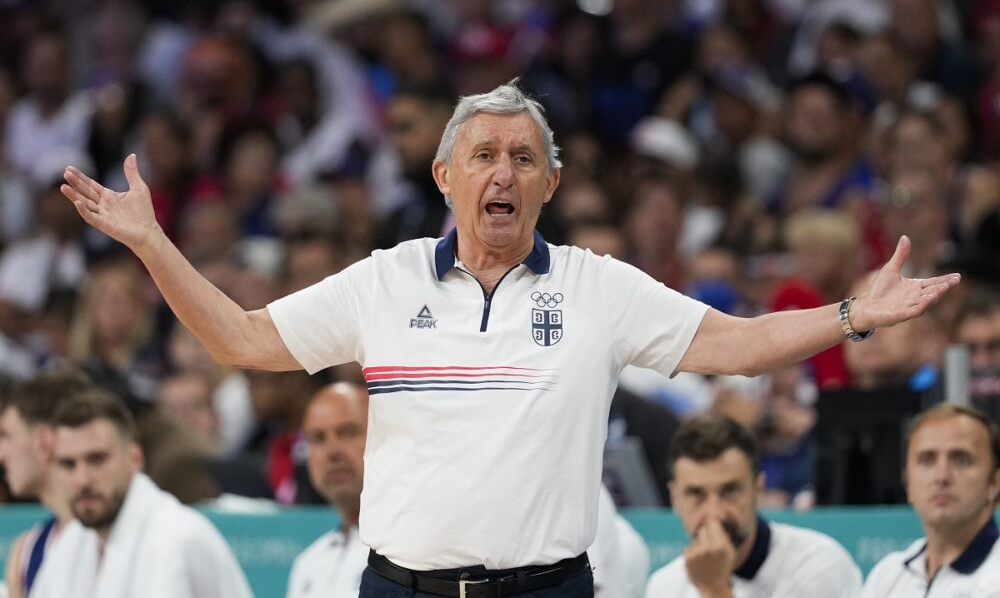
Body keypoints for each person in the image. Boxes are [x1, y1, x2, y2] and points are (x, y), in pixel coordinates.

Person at [60, 81, 959, 597]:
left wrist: (852, 316)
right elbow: (244, 342)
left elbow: (736, 343)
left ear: (552, 183)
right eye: (484, 155)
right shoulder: (386, 279)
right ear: (445, 175)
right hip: (400, 590)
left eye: (523, 158)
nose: (503, 172)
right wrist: (153, 245)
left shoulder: (597, 288)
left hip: (547, 594)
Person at [31, 389, 253, 598]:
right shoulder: (68, 545)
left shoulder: (181, 537)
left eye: (97, 459)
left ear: (135, 458)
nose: (83, 480)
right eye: (68, 464)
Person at [645, 414, 862, 598]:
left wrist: (714, 589)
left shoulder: (819, 565)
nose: (715, 513)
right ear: (675, 498)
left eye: (730, 491)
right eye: (696, 494)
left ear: (758, 490)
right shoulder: (664, 586)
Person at [861, 404, 1000, 597]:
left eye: (961, 460)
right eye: (927, 460)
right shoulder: (888, 574)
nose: (942, 476)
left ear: (994, 482)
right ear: (908, 482)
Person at [0, 368, 92, 598]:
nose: (1, 454)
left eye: (6, 435)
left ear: (44, 441)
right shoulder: (26, 551)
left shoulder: (122, 539)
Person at [287, 382, 370, 598]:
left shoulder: (412, 553)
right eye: (318, 438)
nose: (332, 451)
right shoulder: (309, 563)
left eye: (347, 432)